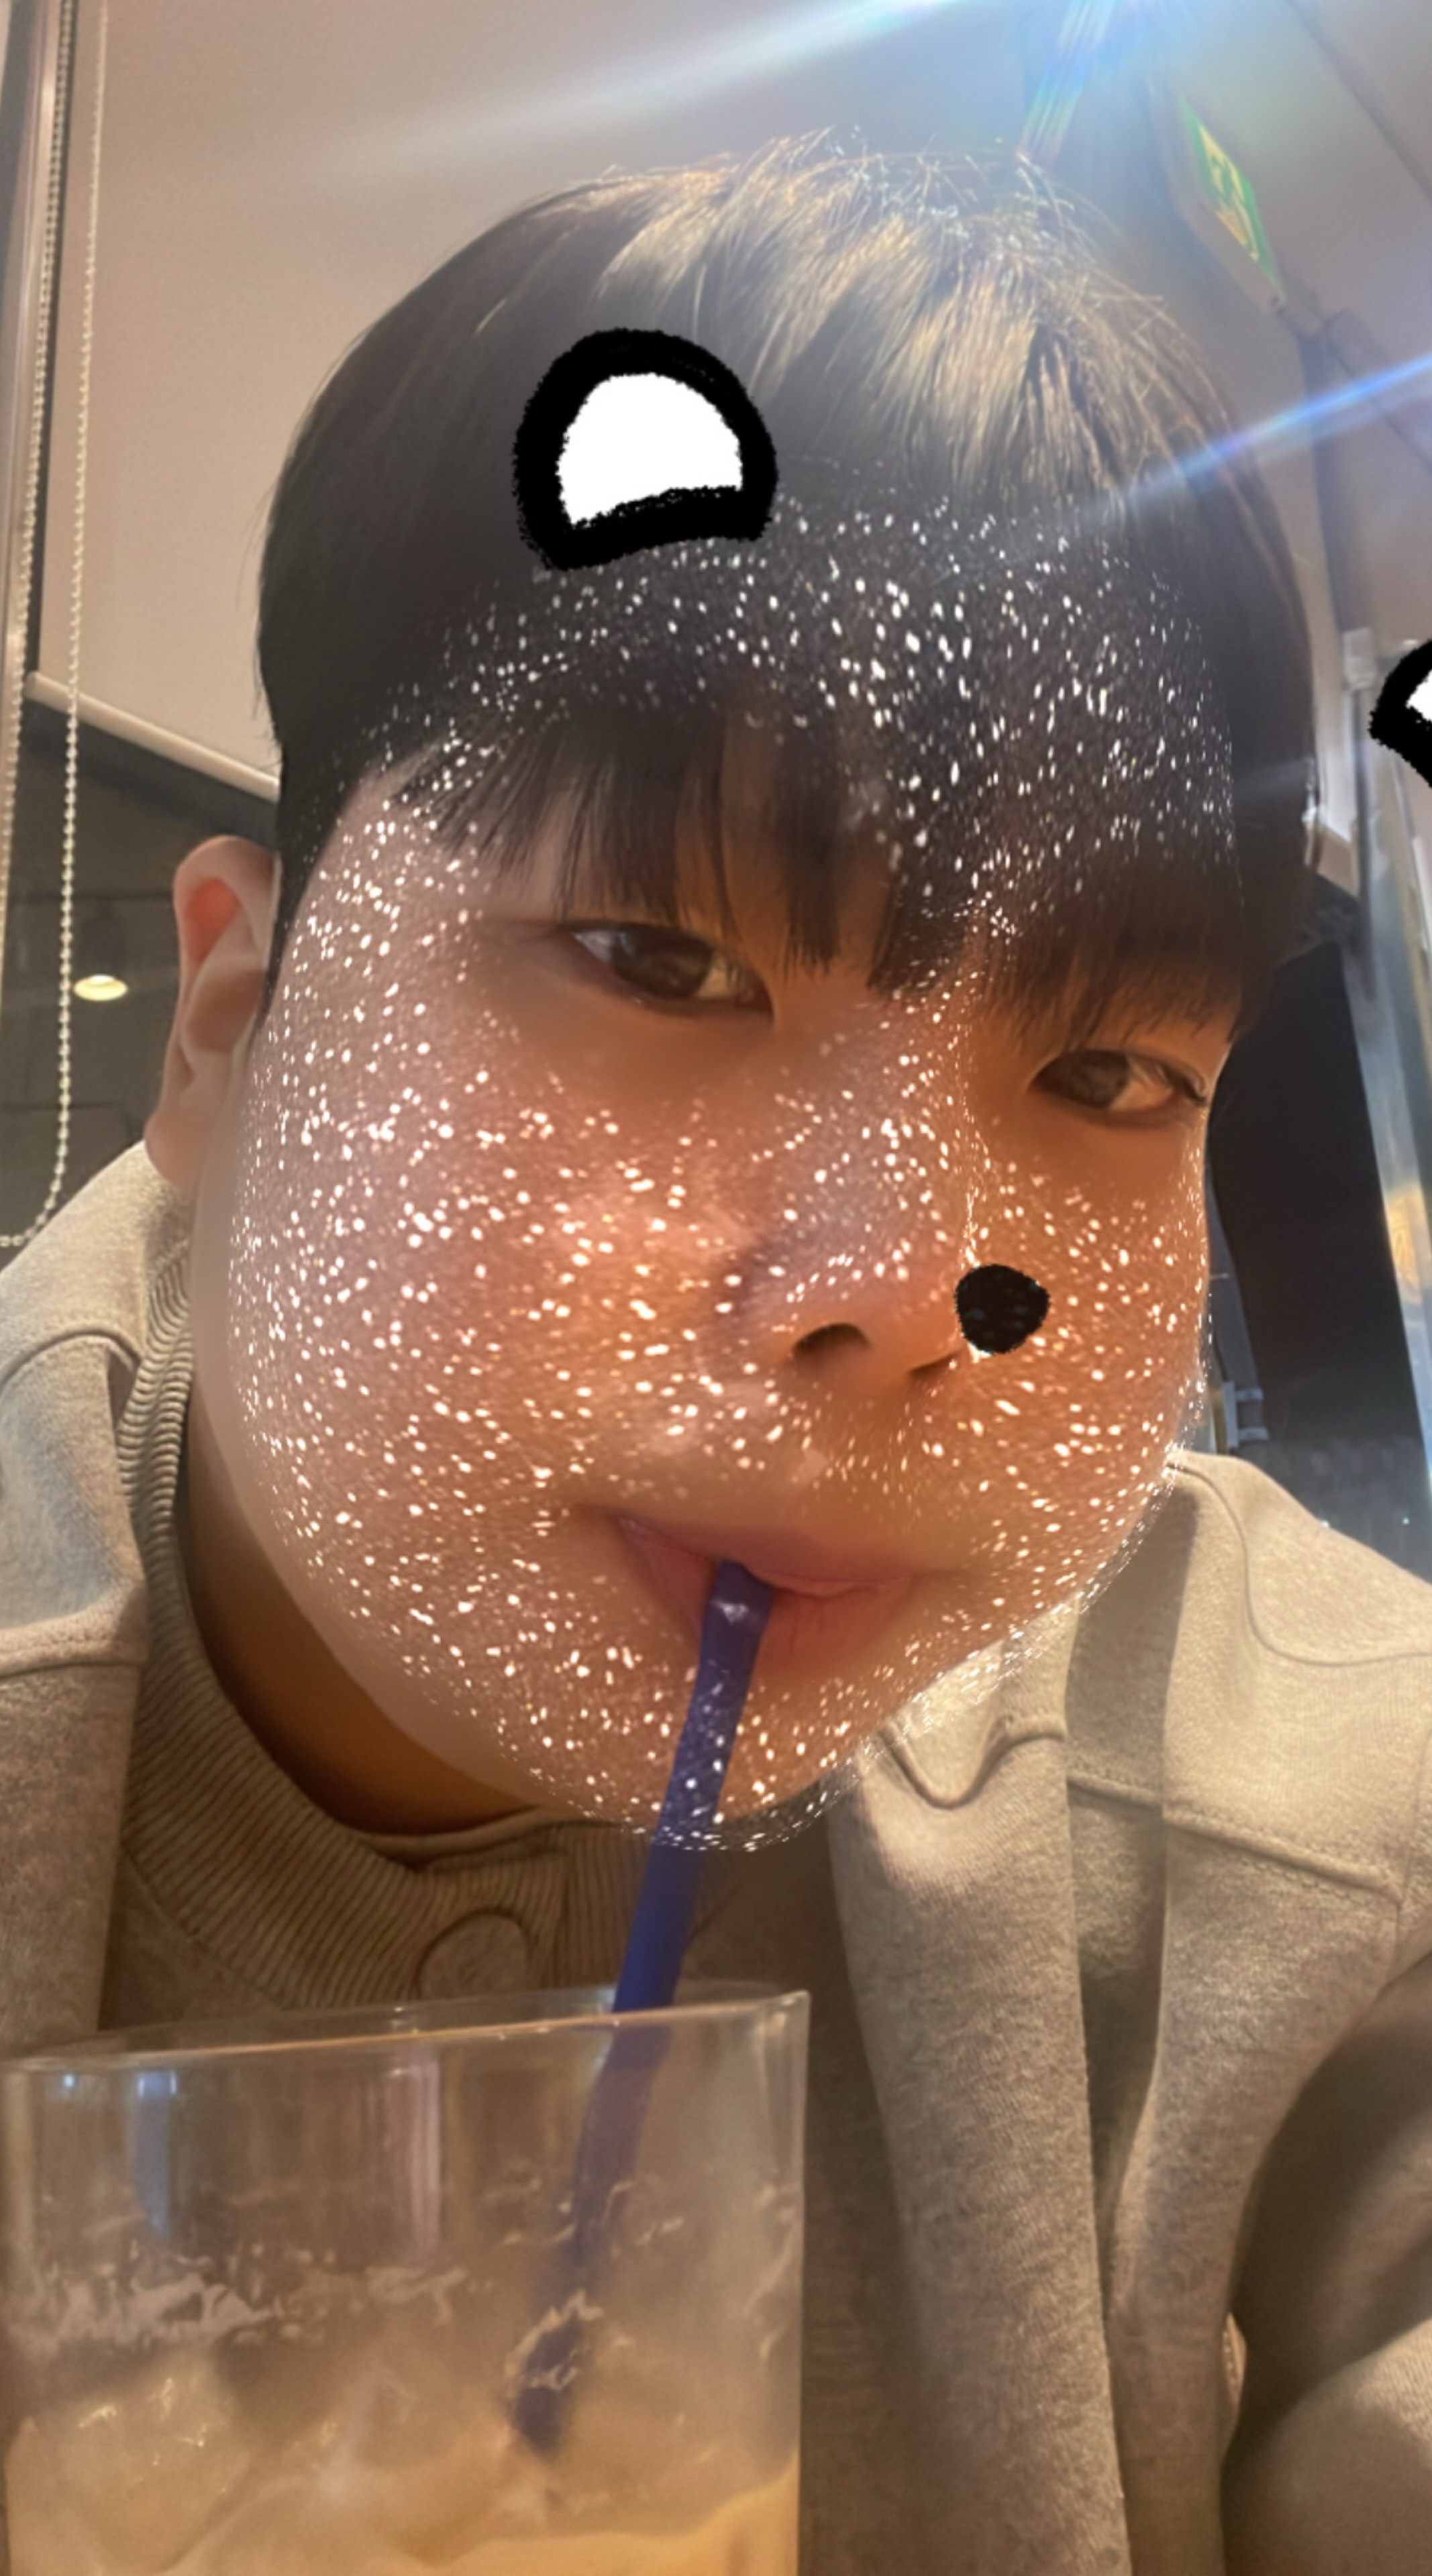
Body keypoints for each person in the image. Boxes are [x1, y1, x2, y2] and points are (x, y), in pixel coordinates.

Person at [3, 138, 1432, 2573]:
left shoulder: (1323, 1852)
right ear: (230, 1016)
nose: (899, 1289)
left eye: (1106, 1074)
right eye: (663, 962)